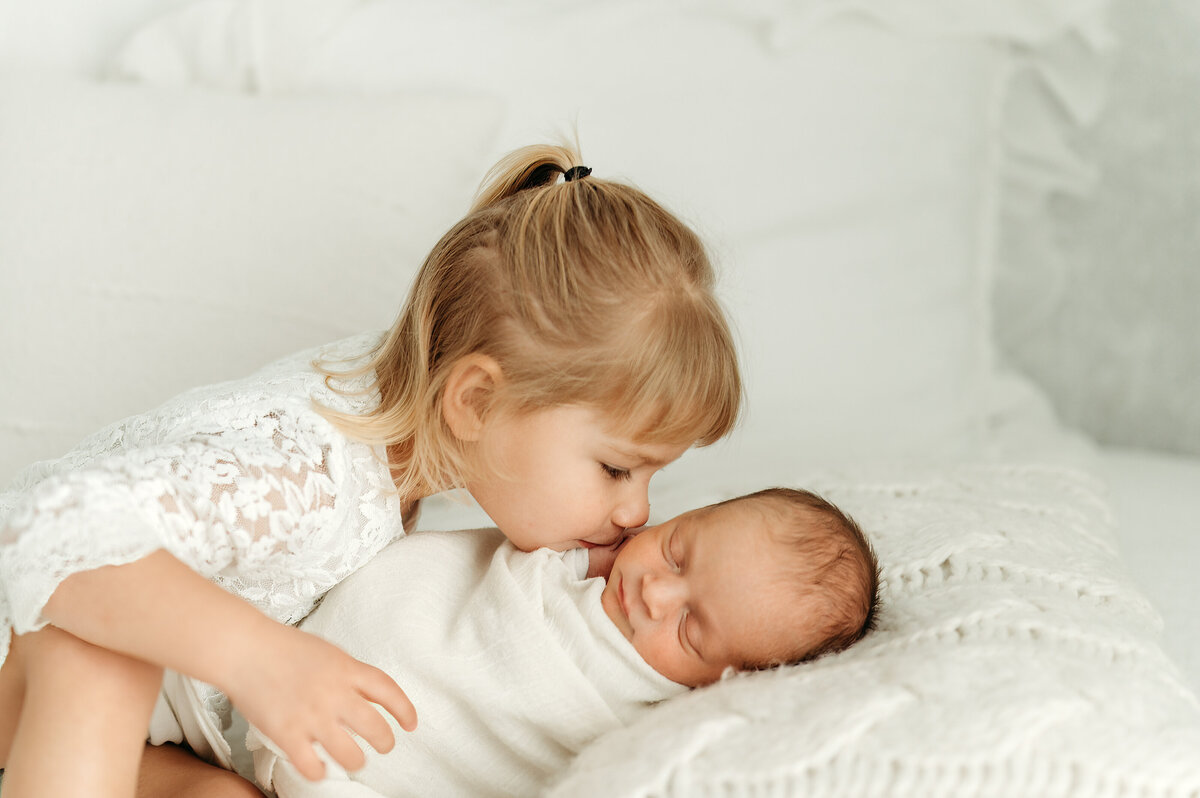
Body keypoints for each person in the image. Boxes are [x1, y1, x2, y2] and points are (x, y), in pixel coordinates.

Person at [0, 143, 742, 798]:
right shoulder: (307, 467)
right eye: (616, 468)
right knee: (105, 661)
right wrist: (259, 658)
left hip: (141, 721)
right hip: (32, 641)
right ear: (476, 401)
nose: (636, 512)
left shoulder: (399, 417)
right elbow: (49, 541)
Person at [168, 487, 880, 797]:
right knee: (128, 660)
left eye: (691, 629)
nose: (654, 594)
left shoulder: (648, 715)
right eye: (678, 550)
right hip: (266, 652)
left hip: (337, 768)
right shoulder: (583, 543)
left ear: (727, 681)